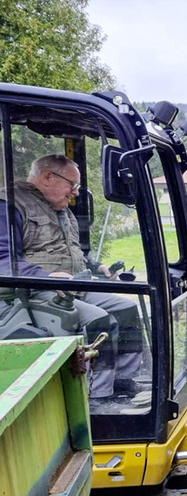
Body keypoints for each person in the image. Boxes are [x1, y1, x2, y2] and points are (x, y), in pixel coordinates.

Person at [0, 154, 144, 409]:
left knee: (126, 309)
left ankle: (124, 381)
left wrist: (95, 264)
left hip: (72, 287)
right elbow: (3, 259)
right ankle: (99, 397)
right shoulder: (9, 205)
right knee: (98, 320)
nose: (76, 192)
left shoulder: (59, 207)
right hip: (31, 293)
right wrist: (45, 278)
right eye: (72, 184)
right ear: (47, 177)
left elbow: (70, 249)